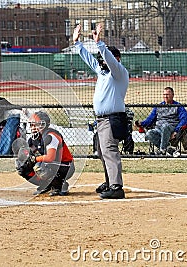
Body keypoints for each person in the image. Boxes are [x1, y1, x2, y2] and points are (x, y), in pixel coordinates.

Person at [73, 23, 129, 199]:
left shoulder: (119, 72)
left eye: (105, 58)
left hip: (112, 118)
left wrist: (100, 44)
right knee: (101, 151)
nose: (102, 61)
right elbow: (89, 59)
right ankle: (109, 181)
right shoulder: (103, 72)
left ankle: (116, 187)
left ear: (116, 58)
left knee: (110, 151)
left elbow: (110, 61)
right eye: (102, 58)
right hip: (102, 119)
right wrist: (77, 43)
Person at [16, 111, 75, 196]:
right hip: (53, 164)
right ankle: (46, 184)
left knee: (40, 166)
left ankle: (60, 185)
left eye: (35, 125)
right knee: (22, 166)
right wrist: (24, 156)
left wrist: (35, 159)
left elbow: (50, 157)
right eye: (31, 125)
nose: (32, 128)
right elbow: (29, 152)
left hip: (65, 166)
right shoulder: (34, 138)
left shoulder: (50, 136)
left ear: (42, 125)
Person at [135, 87, 187, 155]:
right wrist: (141, 123)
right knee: (149, 133)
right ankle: (168, 148)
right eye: (164, 94)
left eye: (168, 94)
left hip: (171, 128)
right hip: (158, 129)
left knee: (165, 126)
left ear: (173, 95)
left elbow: (185, 119)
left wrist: (176, 131)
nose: (165, 96)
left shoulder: (178, 106)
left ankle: (162, 150)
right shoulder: (158, 106)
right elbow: (150, 119)